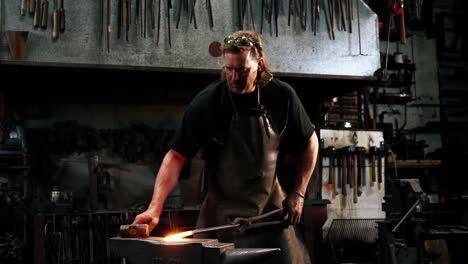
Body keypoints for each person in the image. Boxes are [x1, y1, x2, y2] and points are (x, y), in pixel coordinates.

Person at [133, 30, 319, 264]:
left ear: (259, 64)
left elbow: (310, 142)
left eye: (242, 70)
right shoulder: (208, 102)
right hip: (219, 219)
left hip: (270, 216)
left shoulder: (281, 96)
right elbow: (176, 156)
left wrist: (299, 193)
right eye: (229, 69)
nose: (233, 77)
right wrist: (154, 207)